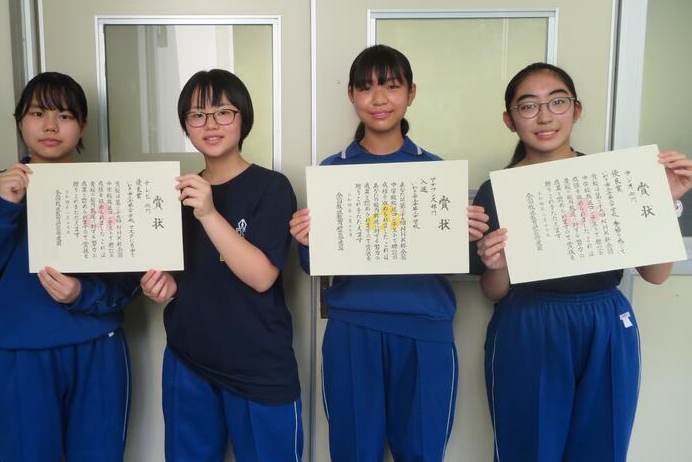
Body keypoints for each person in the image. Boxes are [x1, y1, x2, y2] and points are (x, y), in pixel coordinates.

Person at [0, 72, 176, 462]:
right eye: (38, 113)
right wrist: (4, 206)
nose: (50, 126)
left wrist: (82, 293)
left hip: (97, 348)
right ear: (20, 121)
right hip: (17, 354)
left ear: (82, 126)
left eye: (64, 116)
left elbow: (131, 280)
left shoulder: (108, 187)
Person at [471, 62, 692, 462]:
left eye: (557, 102)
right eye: (528, 106)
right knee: (529, 447)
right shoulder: (497, 190)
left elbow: (656, 274)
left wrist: (665, 204)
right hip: (528, 321)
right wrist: (497, 264)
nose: (544, 117)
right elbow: (493, 291)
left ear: (576, 109)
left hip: (605, 320)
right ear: (509, 119)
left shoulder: (612, 179)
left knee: (601, 446)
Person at [289, 44, 489, 461]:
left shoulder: (436, 173)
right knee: (354, 450)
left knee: (421, 451)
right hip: (353, 328)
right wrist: (305, 240)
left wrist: (469, 237)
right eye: (366, 88)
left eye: (392, 86)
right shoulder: (332, 172)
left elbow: (462, 262)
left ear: (411, 93)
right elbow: (313, 266)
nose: (379, 99)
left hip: (425, 328)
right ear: (351, 95)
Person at [145, 69, 302, 461]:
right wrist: (161, 285)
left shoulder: (272, 187)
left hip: (258, 366)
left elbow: (262, 277)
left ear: (243, 118)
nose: (211, 124)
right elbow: (180, 277)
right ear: (186, 125)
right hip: (189, 359)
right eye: (197, 115)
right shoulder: (176, 194)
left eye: (223, 112)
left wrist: (209, 213)